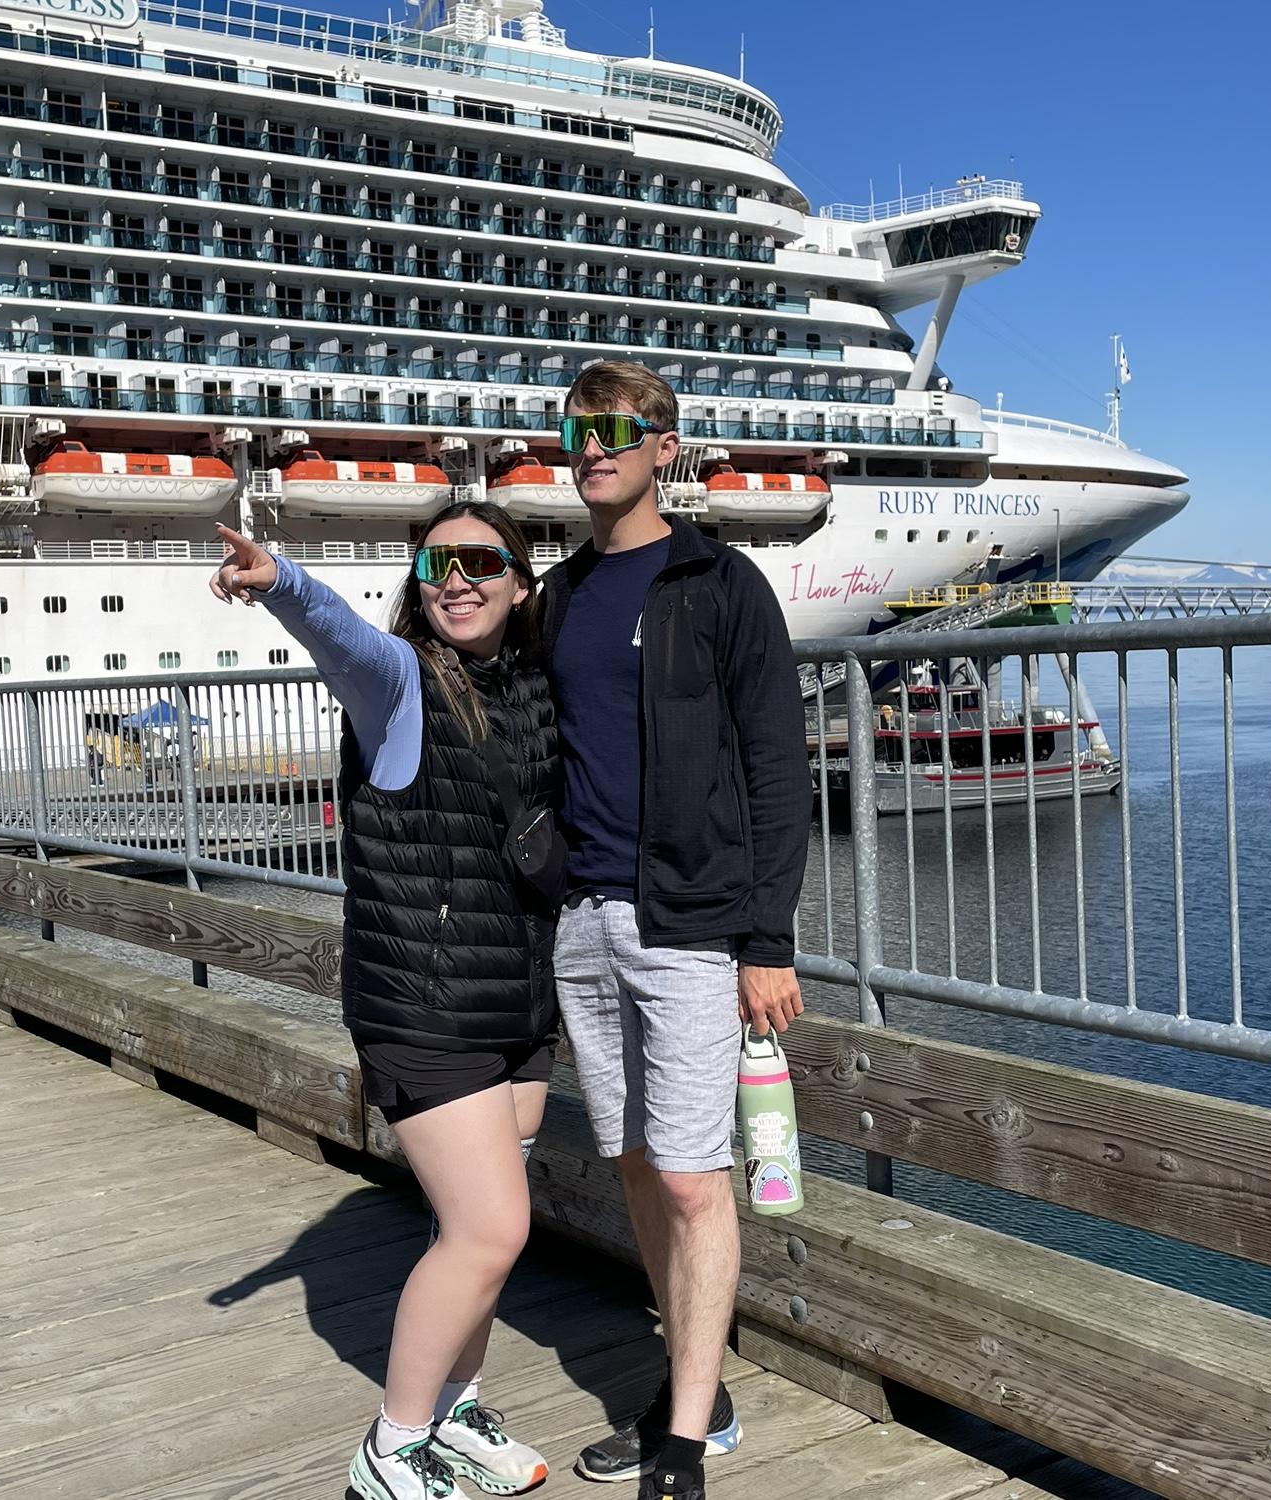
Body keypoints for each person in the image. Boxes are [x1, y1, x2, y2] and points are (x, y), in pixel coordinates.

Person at [209, 502, 559, 1500]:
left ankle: (456, 1409)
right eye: (436, 563)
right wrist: (281, 582)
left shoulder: (533, 682)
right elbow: (342, 637)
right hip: (423, 1002)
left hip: (519, 999)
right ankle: (392, 1447)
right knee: (490, 1230)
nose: (456, 579)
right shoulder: (401, 679)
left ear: (520, 581)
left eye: (480, 561)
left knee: (475, 1232)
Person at [540, 363, 811, 1500]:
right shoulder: (556, 595)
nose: (593, 448)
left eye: (615, 429)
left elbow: (777, 766)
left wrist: (768, 938)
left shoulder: (720, 581)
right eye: (577, 430)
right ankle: (695, 1385)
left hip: (693, 925)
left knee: (697, 1179)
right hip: (583, 920)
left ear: (664, 445)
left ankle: (686, 1444)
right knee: (640, 1165)